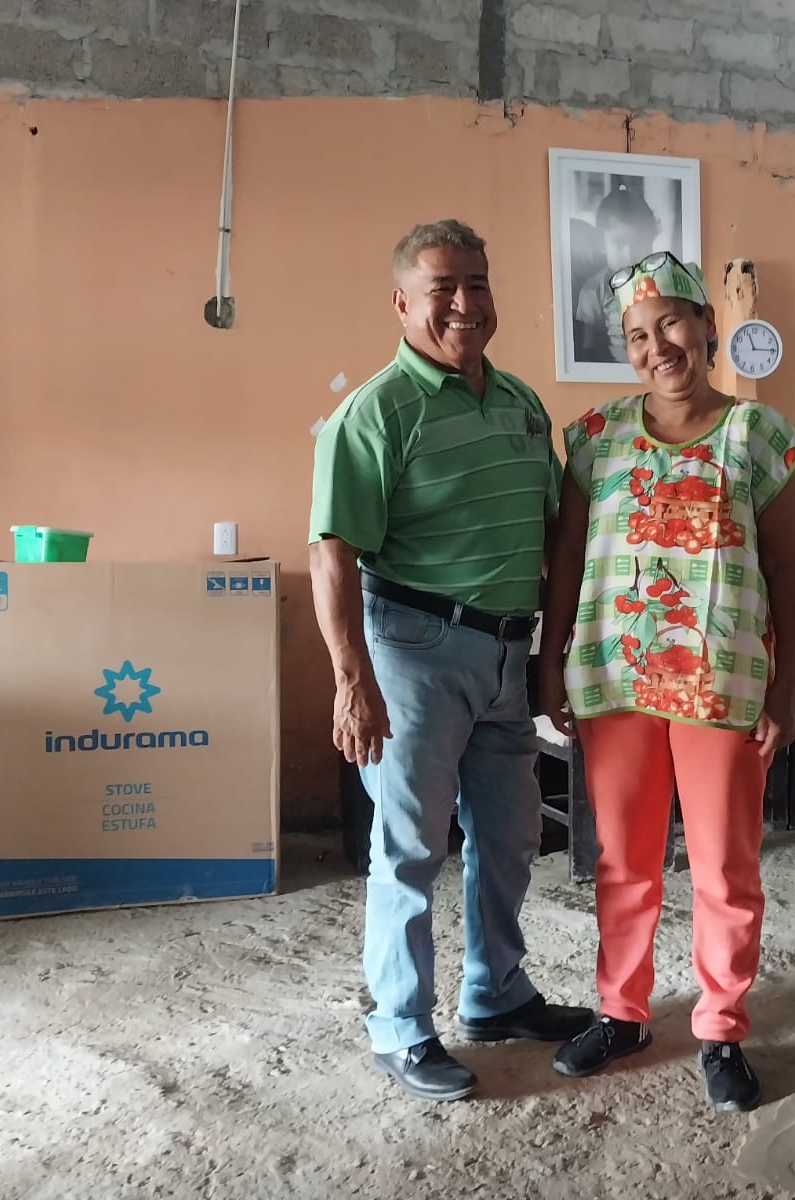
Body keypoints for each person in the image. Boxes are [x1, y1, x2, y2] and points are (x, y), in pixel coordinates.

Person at [307, 218, 593, 1103]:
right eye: (443, 289)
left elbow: (550, 533)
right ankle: (400, 1026)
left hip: (508, 652)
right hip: (414, 650)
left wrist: (554, 657)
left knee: (510, 836)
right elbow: (331, 553)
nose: (465, 303)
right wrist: (352, 680)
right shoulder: (375, 413)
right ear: (402, 304)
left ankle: (496, 994)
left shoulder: (520, 403)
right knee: (410, 847)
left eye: (478, 283)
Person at [538, 250, 795, 1113]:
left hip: (723, 682)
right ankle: (621, 1013)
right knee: (623, 860)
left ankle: (721, 1026)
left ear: (706, 327)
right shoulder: (594, 438)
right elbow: (567, 560)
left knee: (724, 865)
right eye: (637, 336)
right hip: (614, 676)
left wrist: (788, 689)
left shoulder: (762, 439)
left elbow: (791, 574)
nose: (657, 348)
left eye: (671, 326)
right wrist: (549, 662)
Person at [574, 184, 661, 363]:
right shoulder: (593, 291)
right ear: (602, 242)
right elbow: (588, 353)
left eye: (639, 243)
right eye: (619, 243)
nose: (629, 255)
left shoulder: (665, 282)